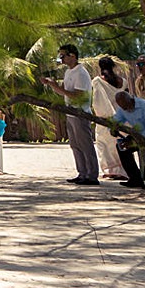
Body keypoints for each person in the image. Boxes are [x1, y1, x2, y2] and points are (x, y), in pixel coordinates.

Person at [42, 45, 100, 184]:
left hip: (80, 113)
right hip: (70, 113)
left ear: (72, 56)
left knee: (85, 144)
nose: (61, 59)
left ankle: (92, 176)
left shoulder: (81, 73)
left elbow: (78, 95)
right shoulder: (69, 72)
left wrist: (57, 88)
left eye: (63, 56)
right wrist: (52, 85)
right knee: (75, 145)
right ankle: (82, 173)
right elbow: (66, 92)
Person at [92, 57, 128, 180]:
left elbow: (98, 101)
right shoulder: (123, 82)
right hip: (122, 117)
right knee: (119, 143)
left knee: (104, 144)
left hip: (105, 118)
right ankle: (123, 169)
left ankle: (110, 170)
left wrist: (100, 115)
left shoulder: (98, 81)